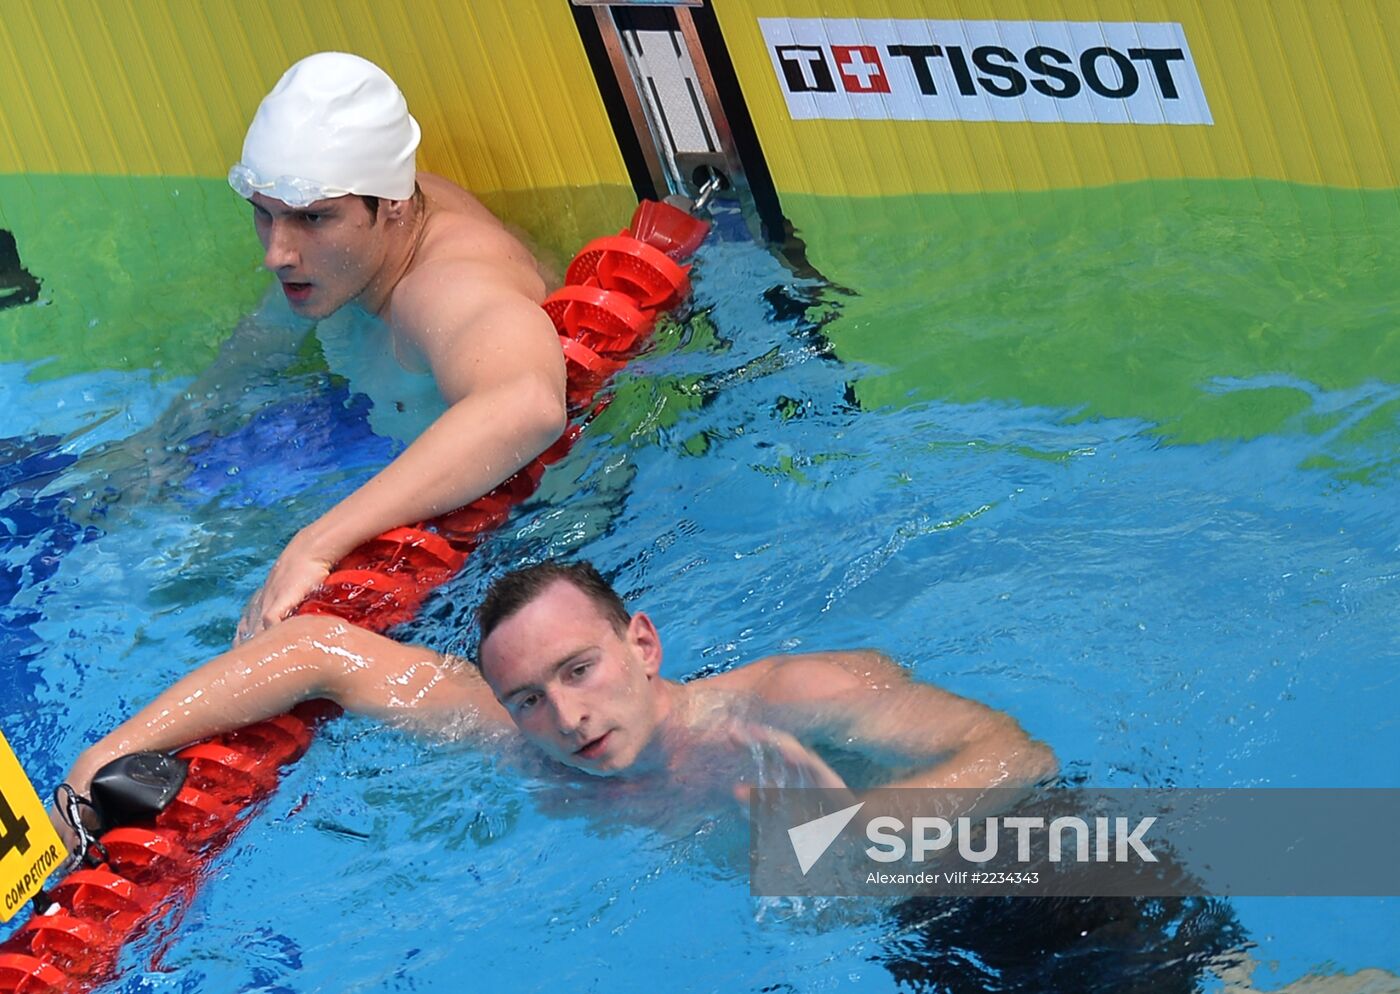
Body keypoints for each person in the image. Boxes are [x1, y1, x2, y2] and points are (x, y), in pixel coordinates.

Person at [61, 560, 1056, 814]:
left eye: (579, 670)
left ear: (643, 644)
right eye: (529, 695)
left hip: (1003, 884)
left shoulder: (786, 696)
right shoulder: (518, 734)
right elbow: (318, 649)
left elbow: (1017, 757)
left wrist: (859, 842)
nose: (565, 716)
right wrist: (101, 759)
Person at [223, 52, 567, 641]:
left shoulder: (442, 286)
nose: (275, 253)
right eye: (264, 215)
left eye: (310, 219)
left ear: (394, 209)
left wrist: (315, 544)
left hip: (528, 533)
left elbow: (529, 404)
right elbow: (268, 331)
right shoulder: (351, 231)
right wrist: (168, 439)